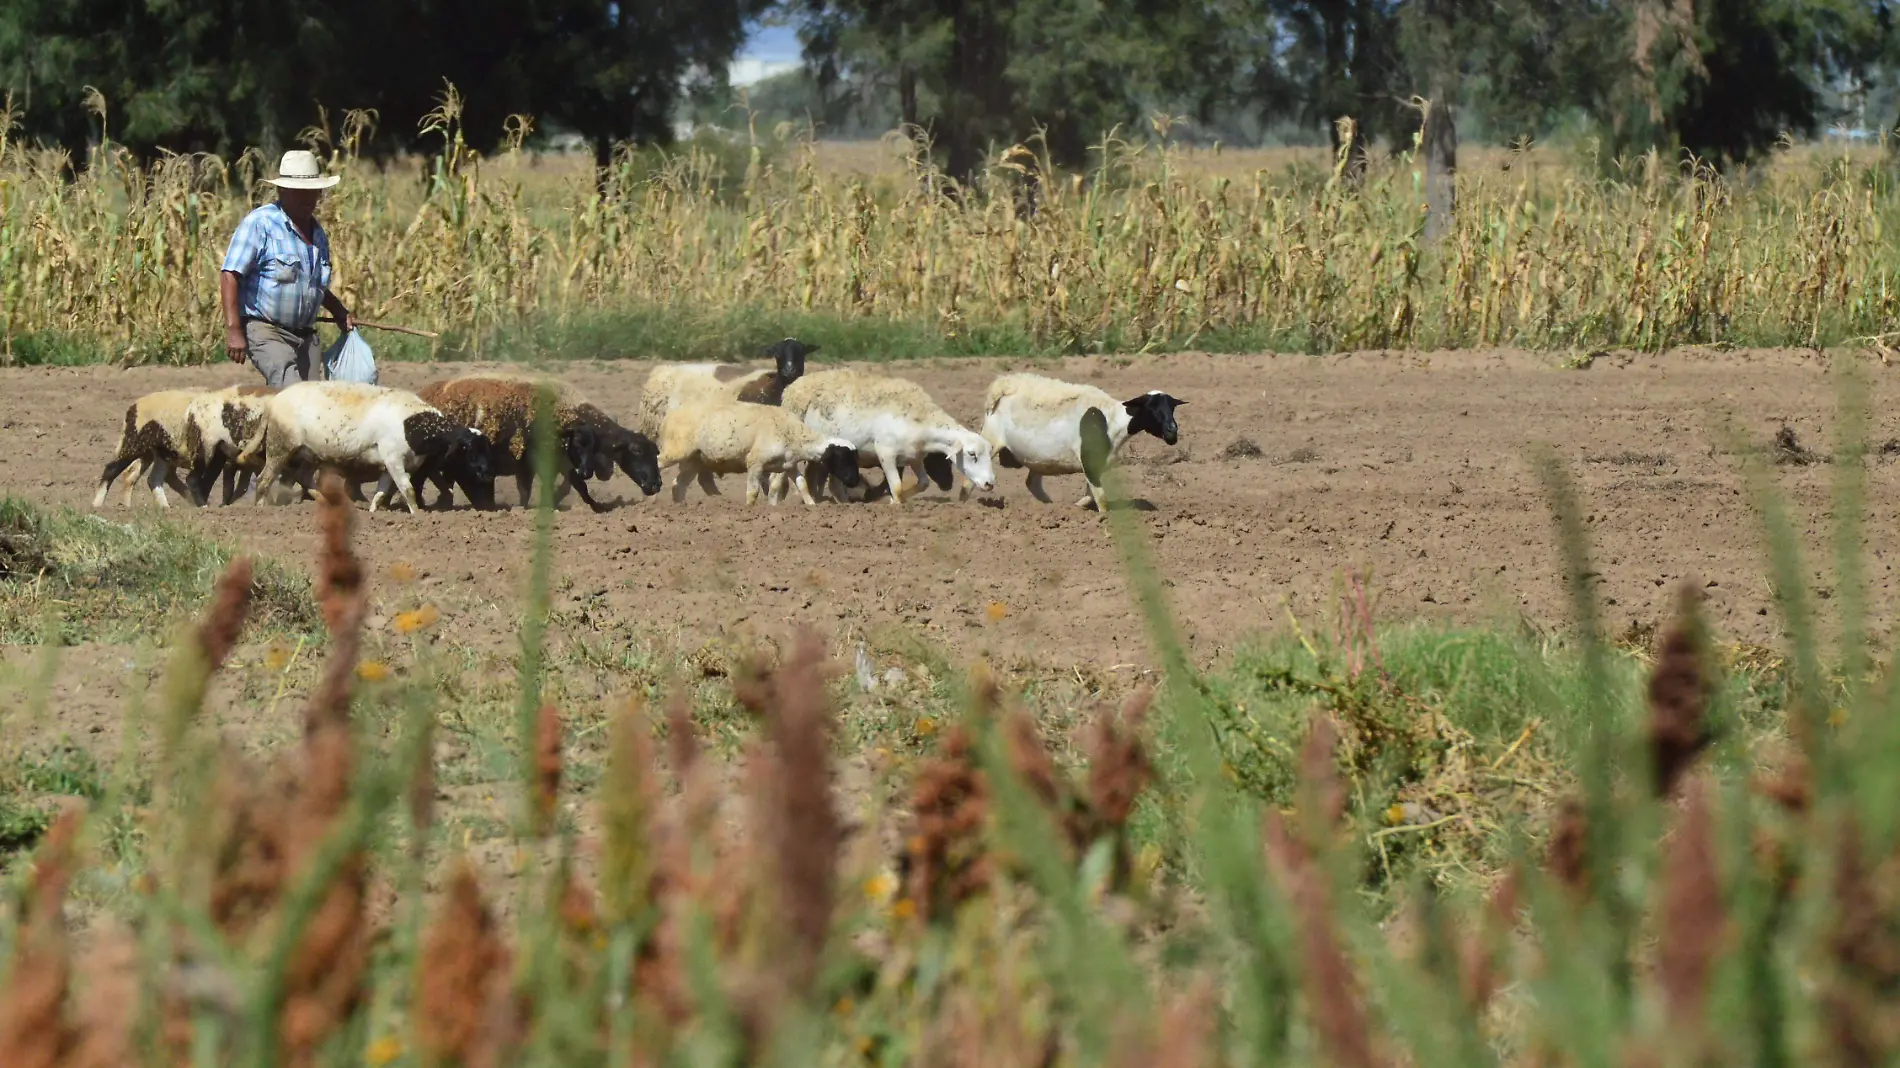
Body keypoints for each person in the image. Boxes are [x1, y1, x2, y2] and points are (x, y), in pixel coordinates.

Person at [219, 149, 356, 386]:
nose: (306, 199)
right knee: (291, 393)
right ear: (282, 191)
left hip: (305, 336)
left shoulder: (318, 235)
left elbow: (312, 284)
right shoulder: (261, 223)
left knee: (311, 404)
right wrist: (233, 329)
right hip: (266, 331)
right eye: (298, 193)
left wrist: (338, 311)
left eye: (311, 193)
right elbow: (230, 275)